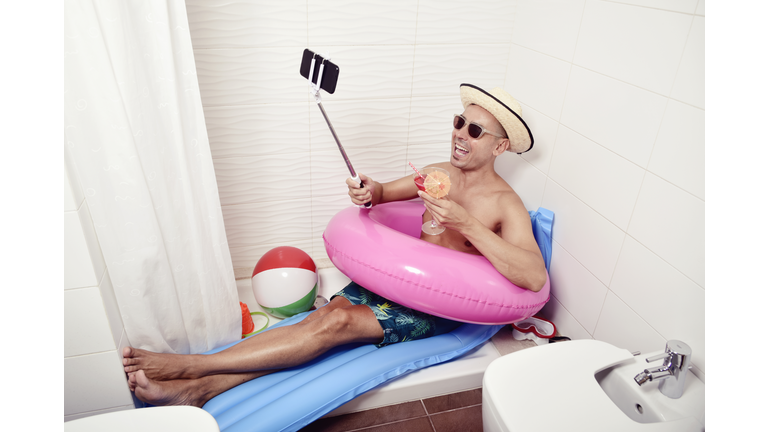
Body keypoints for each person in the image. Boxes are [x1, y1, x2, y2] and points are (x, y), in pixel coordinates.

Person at [122, 83, 547, 407]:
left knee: (333, 327)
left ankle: (189, 366)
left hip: (437, 306)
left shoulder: (505, 204)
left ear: (500, 145)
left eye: (474, 130)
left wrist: (466, 223)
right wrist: (368, 190)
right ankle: (200, 389)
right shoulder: (437, 173)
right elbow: (381, 193)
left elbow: (532, 276)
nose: (460, 134)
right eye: (458, 121)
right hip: (400, 283)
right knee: (323, 318)